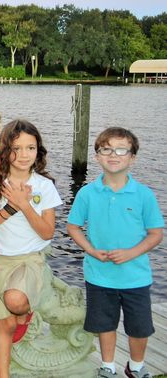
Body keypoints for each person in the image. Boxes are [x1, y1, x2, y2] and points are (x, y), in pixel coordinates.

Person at [67, 127, 163, 378]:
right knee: (104, 323)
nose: (113, 155)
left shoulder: (143, 195)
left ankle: (137, 366)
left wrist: (131, 253)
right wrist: (91, 250)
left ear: (132, 157)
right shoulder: (88, 193)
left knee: (139, 327)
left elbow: (155, 234)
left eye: (121, 149)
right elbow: (73, 226)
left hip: (135, 277)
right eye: (106, 149)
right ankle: (107, 365)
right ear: (97, 156)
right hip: (99, 275)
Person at [0, 120, 62, 377]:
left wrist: (24, 205)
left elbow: (47, 232)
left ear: (38, 151)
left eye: (30, 148)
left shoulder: (44, 186)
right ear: (4, 150)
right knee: (4, 325)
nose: (23, 155)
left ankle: (25, 313)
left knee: (15, 301)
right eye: (16, 148)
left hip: (29, 259)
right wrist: (10, 208)